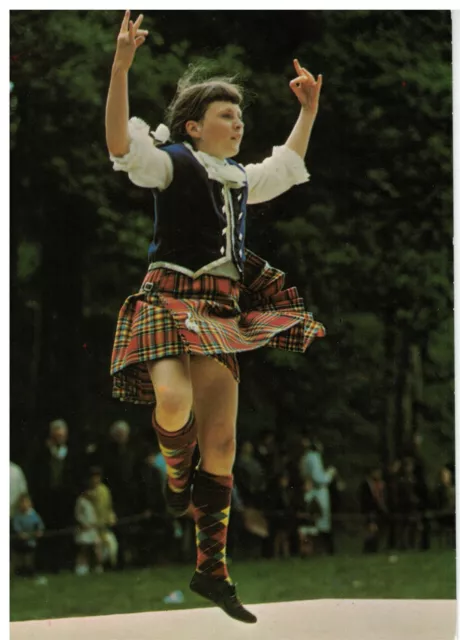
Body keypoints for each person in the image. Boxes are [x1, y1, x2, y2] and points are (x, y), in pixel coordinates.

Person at [105, 10, 325, 624]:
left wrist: (306, 112)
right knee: (172, 404)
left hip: (221, 311)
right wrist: (122, 66)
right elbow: (121, 145)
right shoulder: (172, 161)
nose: (239, 123)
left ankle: (212, 571)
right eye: (228, 115)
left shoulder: (237, 178)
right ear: (195, 127)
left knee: (222, 443)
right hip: (170, 298)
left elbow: (283, 169)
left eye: (241, 115)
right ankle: (178, 480)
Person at [11, 494, 45, 580]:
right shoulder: (18, 515)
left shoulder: (33, 514)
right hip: (20, 541)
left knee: (30, 557)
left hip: (31, 540)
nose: (24, 504)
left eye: (26, 502)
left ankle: (30, 573)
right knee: (20, 558)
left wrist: (39, 531)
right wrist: (20, 533)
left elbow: (39, 524)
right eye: (22, 502)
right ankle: (20, 574)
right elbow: (16, 526)